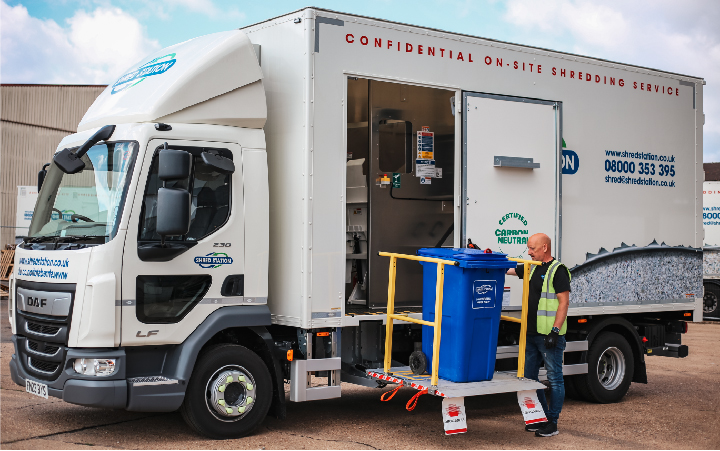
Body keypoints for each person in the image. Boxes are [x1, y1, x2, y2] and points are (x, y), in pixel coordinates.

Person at [507, 233, 570, 437]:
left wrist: (555, 331)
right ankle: (541, 418)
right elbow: (508, 269)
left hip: (548, 336)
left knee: (554, 378)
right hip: (531, 334)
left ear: (544, 247)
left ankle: (552, 422)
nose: (529, 252)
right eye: (528, 248)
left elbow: (564, 302)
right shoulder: (531, 267)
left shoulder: (558, 271)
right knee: (530, 378)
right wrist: (485, 257)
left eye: (532, 249)